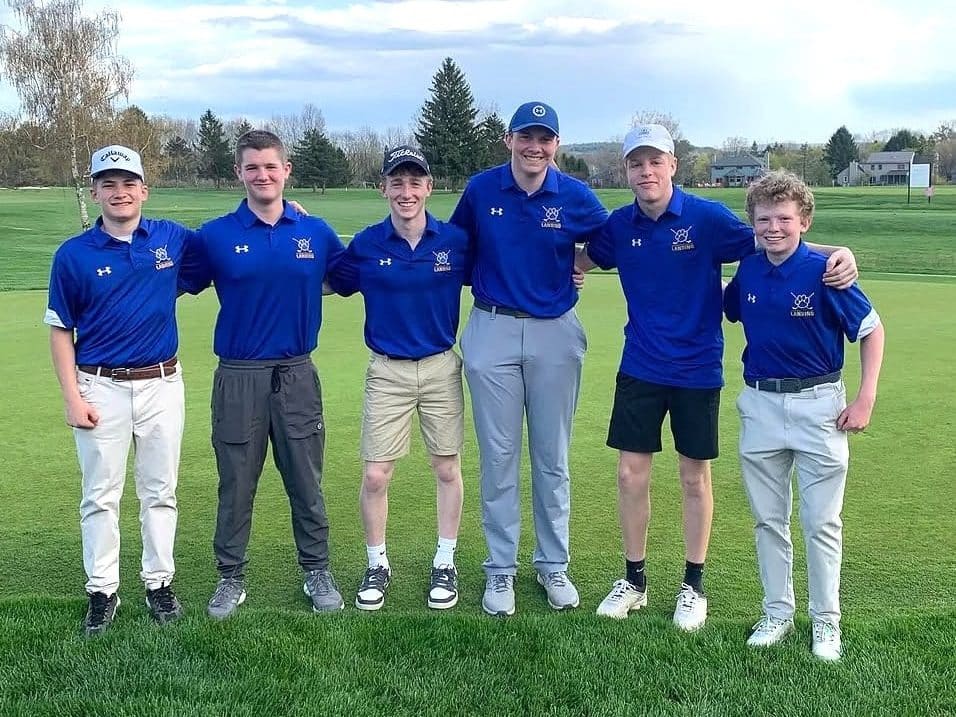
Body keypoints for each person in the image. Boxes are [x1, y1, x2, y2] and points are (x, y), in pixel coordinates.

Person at [577, 125, 859, 631]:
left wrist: (837, 251)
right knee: (629, 475)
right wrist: (562, 268)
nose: (646, 172)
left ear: (672, 165)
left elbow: (772, 238)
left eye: (655, 162)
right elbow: (583, 258)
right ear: (627, 171)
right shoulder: (619, 226)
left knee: (693, 476)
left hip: (697, 368)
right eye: (637, 164)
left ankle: (693, 585)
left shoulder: (705, 218)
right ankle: (635, 580)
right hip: (639, 364)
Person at [449, 102, 608, 616]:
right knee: (498, 459)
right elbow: (453, 246)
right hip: (492, 327)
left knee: (551, 457)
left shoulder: (574, 195)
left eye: (544, 138)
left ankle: (552, 564)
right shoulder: (482, 189)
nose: (534, 147)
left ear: (556, 144)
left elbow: (614, 241)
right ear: (509, 139)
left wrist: (581, 262)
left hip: (555, 332)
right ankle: (500, 570)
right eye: (526, 136)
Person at [179, 129, 346, 618]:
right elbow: (170, 281)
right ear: (239, 172)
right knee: (235, 483)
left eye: (271, 166)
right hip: (238, 376)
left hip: (296, 374)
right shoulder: (215, 235)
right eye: (252, 167)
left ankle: (316, 571)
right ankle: (230, 577)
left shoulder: (315, 232)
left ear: (286, 170)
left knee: (306, 481)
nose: (262, 175)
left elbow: (345, 278)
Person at [724, 170, 884, 661]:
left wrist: (865, 398)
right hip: (760, 404)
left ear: (804, 221)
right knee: (768, 520)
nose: (773, 228)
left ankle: (825, 621)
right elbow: (727, 304)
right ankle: (777, 612)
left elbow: (872, 330)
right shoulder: (749, 270)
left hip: (820, 407)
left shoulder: (827, 271)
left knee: (821, 522)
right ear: (753, 223)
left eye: (784, 219)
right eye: (764, 219)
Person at [45, 145, 190, 635]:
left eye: (128, 183)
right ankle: (102, 590)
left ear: (144, 190)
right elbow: (60, 328)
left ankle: (159, 583)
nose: (120, 192)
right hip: (99, 385)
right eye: (108, 184)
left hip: (162, 384)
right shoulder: (73, 254)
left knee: (160, 490)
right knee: (100, 495)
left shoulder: (172, 239)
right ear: (95, 193)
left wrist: (287, 209)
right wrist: (72, 396)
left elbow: (228, 241)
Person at [327, 146, 470, 610]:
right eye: (397, 182)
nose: (406, 192)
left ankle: (445, 560)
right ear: (383, 188)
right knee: (375, 474)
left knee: (446, 468)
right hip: (387, 370)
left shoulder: (455, 241)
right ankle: (377, 564)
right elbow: (327, 280)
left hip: (441, 366)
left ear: (429, 187)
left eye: (414, 182)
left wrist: (572, 272)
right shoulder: (368, 244)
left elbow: (504, 269)